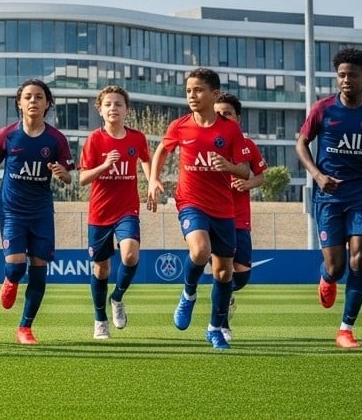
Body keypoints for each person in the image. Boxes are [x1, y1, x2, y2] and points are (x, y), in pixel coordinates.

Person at [146, 67, 254, 350]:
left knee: (223, 274)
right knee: (199, 250)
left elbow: (245, 170)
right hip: (190, 202)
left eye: (198, 90)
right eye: (188, 91)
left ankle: (214, 329)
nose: (192, 95)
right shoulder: (179, 125)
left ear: (214, 94)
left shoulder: (230, 129)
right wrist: (153, 179)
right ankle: (188, 293)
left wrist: (228, 166)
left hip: (223, 209)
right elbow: (162, 150)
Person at [296, 47, 362, 349]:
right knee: (337, 267)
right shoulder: (323, 109)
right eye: (341, 75)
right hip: (328, 197)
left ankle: (346, 329)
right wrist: (317, 176)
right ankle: (327, 277)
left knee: (360, 257)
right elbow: (301, 144)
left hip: (361, 194)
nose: (346, 80)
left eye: (352, 75)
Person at [0, 79, 72, 345]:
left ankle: (25, 328)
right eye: (27, 97)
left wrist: (63, 174)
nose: (33, 101)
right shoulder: (8, 135)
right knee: (15, 267)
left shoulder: (56, 139)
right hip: (12, 211)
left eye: (39, 97)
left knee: (39, 270)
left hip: (40, 212)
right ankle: (10, 280)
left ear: (47, 103)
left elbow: (68, 176)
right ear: (19, 103)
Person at [79, 85, 149, 340]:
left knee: (130, 255)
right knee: (101, 270)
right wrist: (105, 165)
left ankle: (117, 297)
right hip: (99, 212)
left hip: (127, 209)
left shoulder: (137, 138)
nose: (113, 108)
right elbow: (83, 178)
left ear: (126, 109)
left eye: (118, 104)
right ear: (100, 109)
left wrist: (152, 182)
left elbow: (146, 160)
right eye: (108, 104)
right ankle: (100, 319)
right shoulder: (94, 140)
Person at [212, 91, 267, 343]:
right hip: (215, 215)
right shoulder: (208, 142)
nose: (222, 117)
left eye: (227, 113)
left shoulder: (247, 145)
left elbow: (261, 175)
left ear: (238, 118)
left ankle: (225, 299)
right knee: (222, 271)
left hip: (240, 217)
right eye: (218, 113)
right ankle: (220, 325)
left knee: (242, 275)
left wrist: (248, 184)